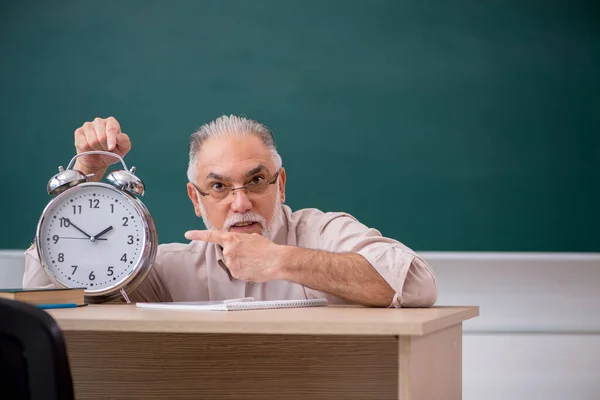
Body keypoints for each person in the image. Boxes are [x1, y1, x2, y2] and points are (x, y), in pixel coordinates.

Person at [23, 115, 437, 308]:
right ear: (195, 199)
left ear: (282, 184)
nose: (241, 203)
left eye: (256, 181)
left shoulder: (324, 233)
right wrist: (83, 177)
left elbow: (416, 285)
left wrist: (281, 259)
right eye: (219, 187)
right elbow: (48, 299)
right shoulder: (162, 270)